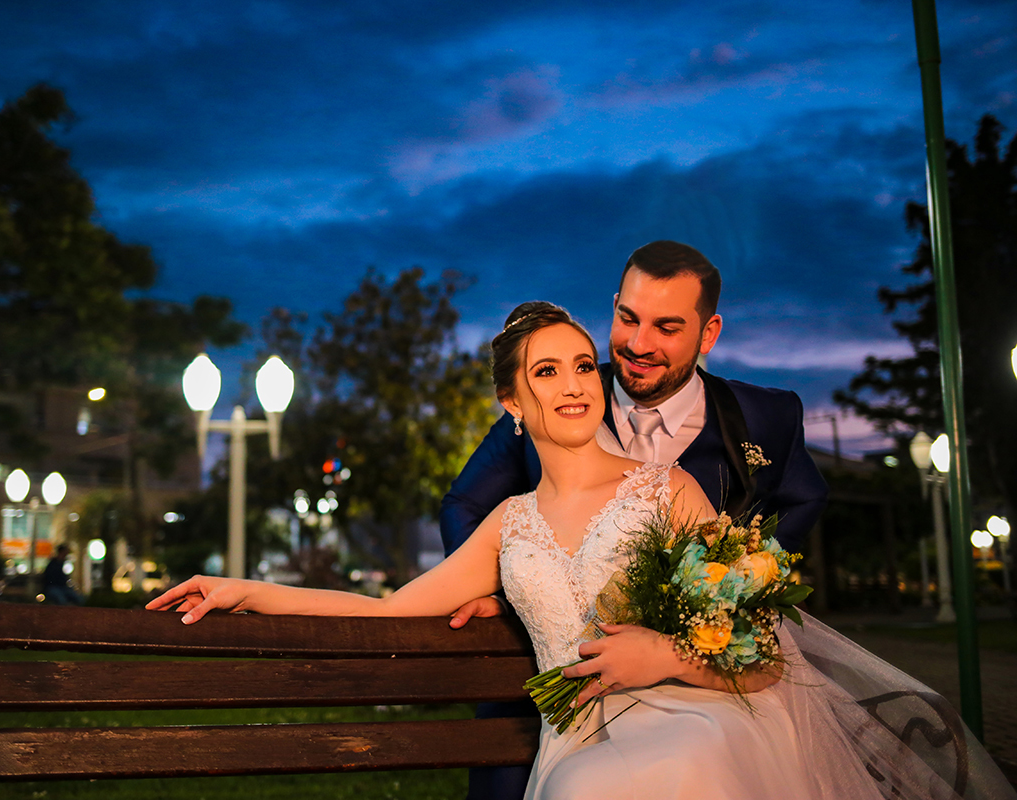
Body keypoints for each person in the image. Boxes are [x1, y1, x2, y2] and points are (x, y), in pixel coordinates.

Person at [148, 303, 1013, 799]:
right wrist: (242, 588)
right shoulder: (508, 524)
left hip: (699, 717)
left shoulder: (665, 490)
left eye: (583, 364)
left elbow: (762, 662)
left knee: (672, 770)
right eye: (547, 372)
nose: (575, 383)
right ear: (511, 404)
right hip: (582, 744)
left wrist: (660, 652)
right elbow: (387, 609)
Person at [441, 240, 829, 798]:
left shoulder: (766, 415)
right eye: (627, 318)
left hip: (698, 682)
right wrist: (502, 583)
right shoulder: (559, 392)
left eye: (667, 327)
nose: (639, 344)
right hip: (560, 684)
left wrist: (739, 576)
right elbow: (464, 503)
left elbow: (805, 497)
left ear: (708, 334)